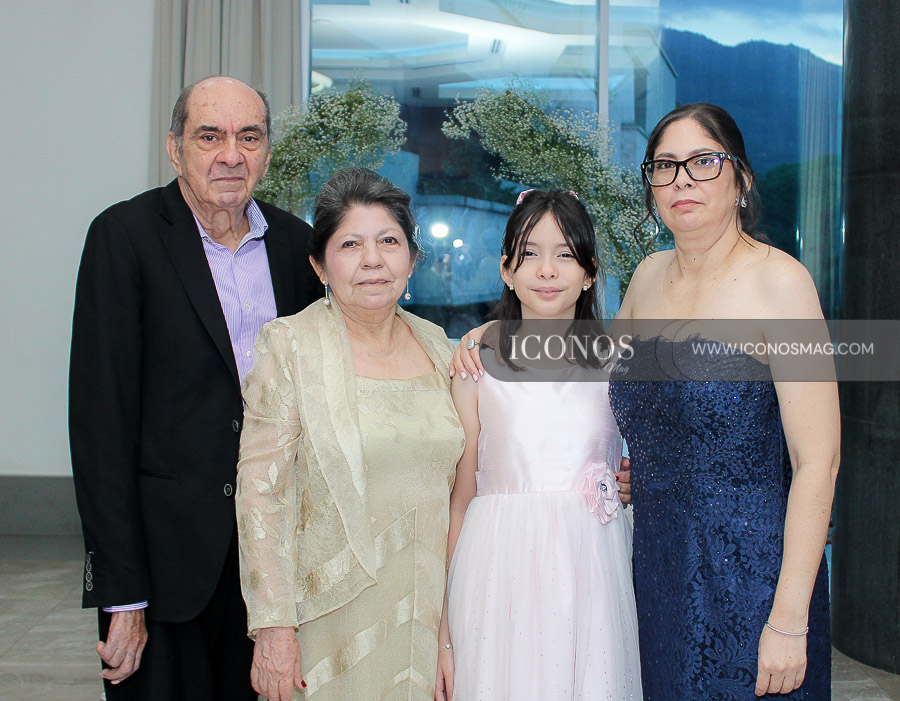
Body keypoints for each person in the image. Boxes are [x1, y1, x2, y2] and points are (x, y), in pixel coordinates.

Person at [69, 76, 320, 700]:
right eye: (210, 136)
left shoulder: (297, 246)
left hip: (275, 568)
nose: (231, 155)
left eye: (249, 137)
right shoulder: (123, 237)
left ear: (267, 152)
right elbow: (101, 425)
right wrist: (123, 593)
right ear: (174, 148)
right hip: (165, 571)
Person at [607, 103, 837, 699]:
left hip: (754, 579)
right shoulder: (647, 277)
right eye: (665, 165)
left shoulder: (780, 282)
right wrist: (492, 337)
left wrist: (788, 619)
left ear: (742, 179)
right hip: (658, 567)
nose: (682, 179)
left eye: (703, 161)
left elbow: (818, 462)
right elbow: (590, 379)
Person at [235, 166, 466, 701]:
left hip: (428, 611)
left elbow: (470, 478)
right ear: (319, 265)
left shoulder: (440, 347)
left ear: (412, 258)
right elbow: (262, 495)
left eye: (389, 241)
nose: (372, 260)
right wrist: (273, 627)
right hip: (327, 618)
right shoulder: (290, 345)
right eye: (350, 244)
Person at [436, 190, 642, 700]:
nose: (547, 270)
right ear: (506, 270)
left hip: (591, 569)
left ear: (590, 272)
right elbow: (459, 500)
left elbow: (648, 456)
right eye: (530, 254)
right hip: (497, 569)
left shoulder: (619, 363)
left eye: (565, 254)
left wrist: (632, 480)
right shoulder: (476, 364)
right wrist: (444, 632)